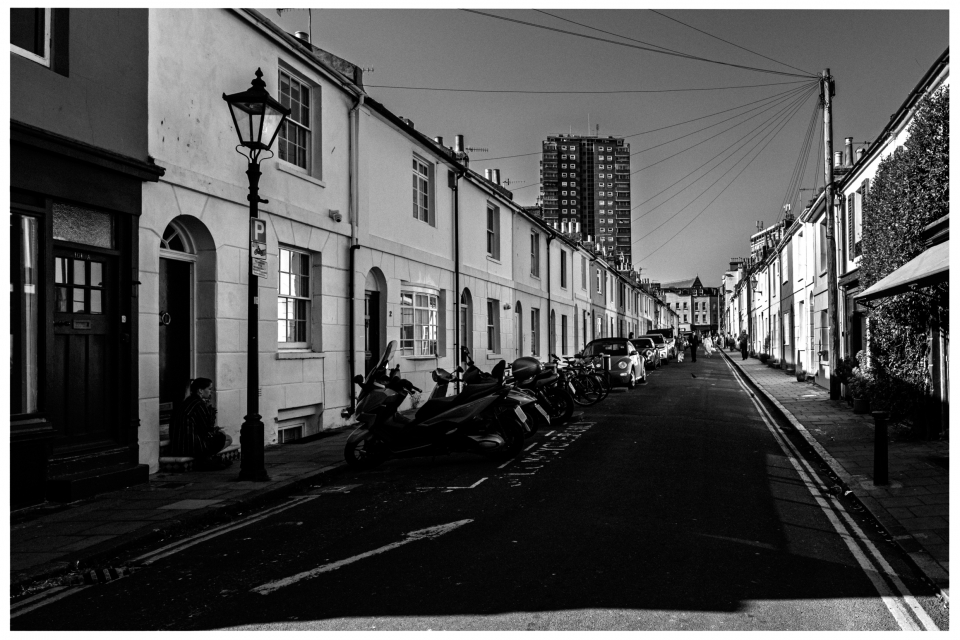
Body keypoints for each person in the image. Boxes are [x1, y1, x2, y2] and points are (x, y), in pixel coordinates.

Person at [169, 377, 233, 470]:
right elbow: (206, 429)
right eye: (209, 389)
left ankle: (209, 458)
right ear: (200, 391)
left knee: (221, 436)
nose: (211, 392)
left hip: (177, 445)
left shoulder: (186, 402)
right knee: (227, 438)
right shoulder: (198, 404)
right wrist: (213, 423)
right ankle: (207, 459)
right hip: (191, 446)